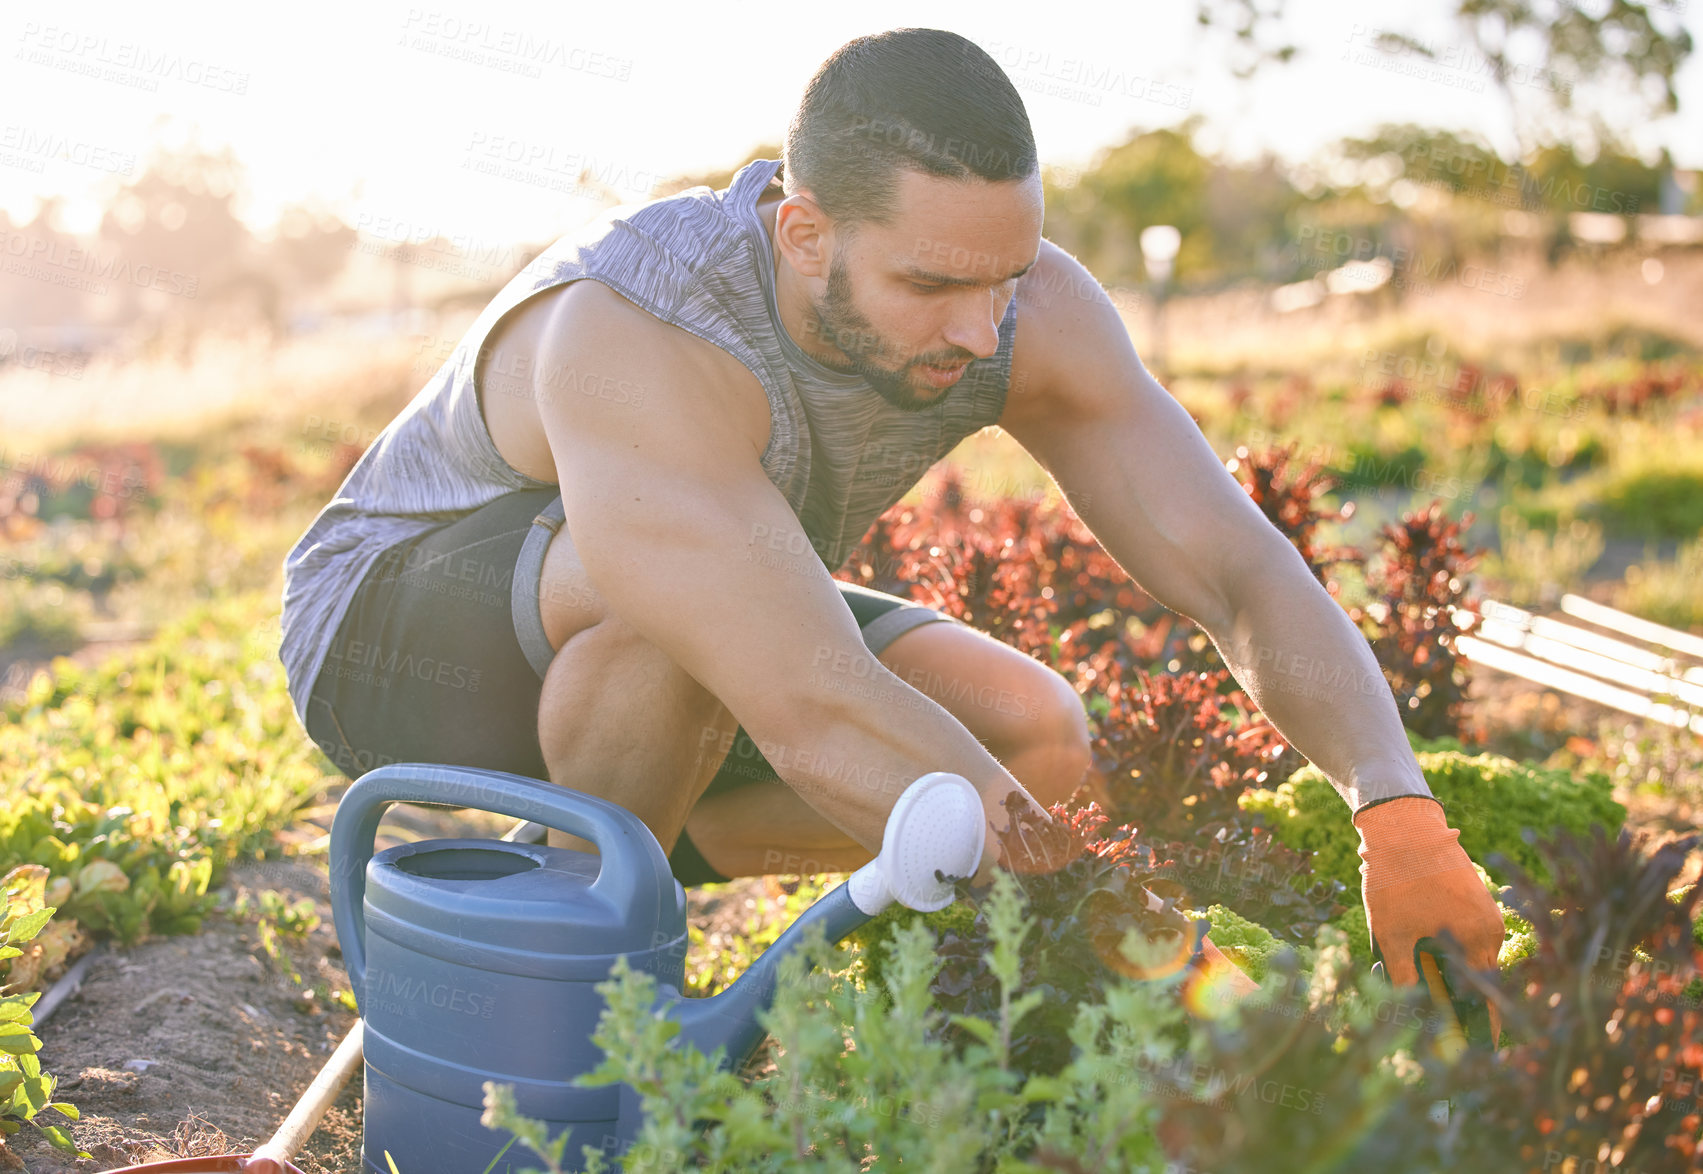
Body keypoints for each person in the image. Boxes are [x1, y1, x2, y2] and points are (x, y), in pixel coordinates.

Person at [279, 28, 1503, 1012]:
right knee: (682, 608)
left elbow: (1234, 567)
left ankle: (653, 844)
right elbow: (810, 696)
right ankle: (557, 980)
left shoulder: (1018, 310)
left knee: (1031, 737)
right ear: (803, 231)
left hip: (713, 620)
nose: (981, 333)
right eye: (929, 285)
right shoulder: (641, 325)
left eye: (1005, 278)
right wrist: (1152, 967)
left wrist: (1391, 805)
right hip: (389, 631)